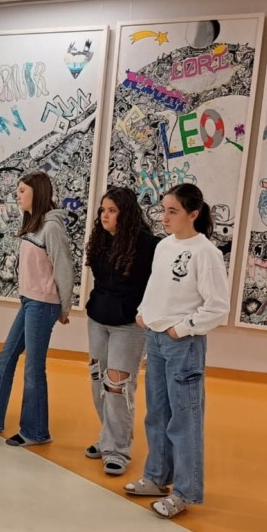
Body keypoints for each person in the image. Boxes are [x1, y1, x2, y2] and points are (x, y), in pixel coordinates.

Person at [126, 183, 229, 518]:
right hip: (155, 338)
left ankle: (185, 492)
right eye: (163, 210)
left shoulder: (206, 253)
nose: (165, 217)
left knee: (185, 419)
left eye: (173, 211)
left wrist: (181, 328)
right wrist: (143, 311)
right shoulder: (164, 246)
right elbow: (156, 286)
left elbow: (217, 307)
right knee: (157, 413)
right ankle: (157, 477)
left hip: (183, 344)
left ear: (193, 214)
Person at [0, 171, 73, 447]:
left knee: (33, 369)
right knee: (6, 358)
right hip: (29, 302)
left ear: (38, 193)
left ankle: (36, 431)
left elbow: (64, 268)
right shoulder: (32, 224)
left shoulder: (52, 228)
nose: (17, 195)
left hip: (43, 305)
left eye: (23, 190)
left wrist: (64, 307)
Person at [82, 186, 158, 474]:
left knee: (117, 387)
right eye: (103, 210)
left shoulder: (147, 245)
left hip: (128, 326)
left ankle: (118, 450)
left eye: (112, 210)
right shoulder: (101, 240)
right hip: (97, 320)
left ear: (125, 214)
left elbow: (155, 287)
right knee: (97, 381)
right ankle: (108, 438)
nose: (105, 215)